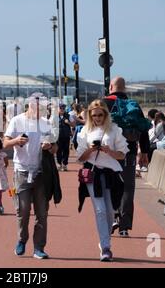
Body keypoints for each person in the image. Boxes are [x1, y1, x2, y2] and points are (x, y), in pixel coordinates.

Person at [4, 92, 58, 260]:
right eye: (36, 105)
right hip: (21, 172)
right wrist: (16, 141)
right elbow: (5, 142)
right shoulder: (17, 120)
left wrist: (50, 147)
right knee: (23, 210)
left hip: (41, 173)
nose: (39, 108)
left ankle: (39, 247)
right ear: (29, 105)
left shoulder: (45, 123)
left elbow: (55, 149)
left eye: (42, 106)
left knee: (42, 212)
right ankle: (22, 239)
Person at [76, 99, 128, 262]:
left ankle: (105, 241)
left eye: (100, 115)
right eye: (94, 115)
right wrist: (91, 149)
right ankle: (106, 248)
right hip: (93, 174)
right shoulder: (85, 131)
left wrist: (109, 151)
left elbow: (123, 154)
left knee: (111, 210)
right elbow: (79, 157)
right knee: (100, 210)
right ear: (90, 116)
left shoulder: (114, 130)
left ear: (106, 114)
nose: (97, 118)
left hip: (111, 173)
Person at [103, 77, 150, 237]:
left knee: (108, 186)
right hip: (128, 153)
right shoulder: (133, 105)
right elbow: (143, 130)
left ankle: (113, 216)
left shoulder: (103, 103)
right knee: (128, 189)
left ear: (110, 87)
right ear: (125, 88)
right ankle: (124, 226)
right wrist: (144, 152)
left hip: (107, 154)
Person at [56, 103, 75, 171]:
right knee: (58, 150)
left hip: (66, 136)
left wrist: (68, 123)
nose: (62, 109)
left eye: (63, 108)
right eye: (61, 108)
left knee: (66, 150)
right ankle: (59, 164)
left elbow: (73, 125)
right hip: (58, 136)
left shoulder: (68, 116)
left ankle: (64, 164)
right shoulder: (54, 116)